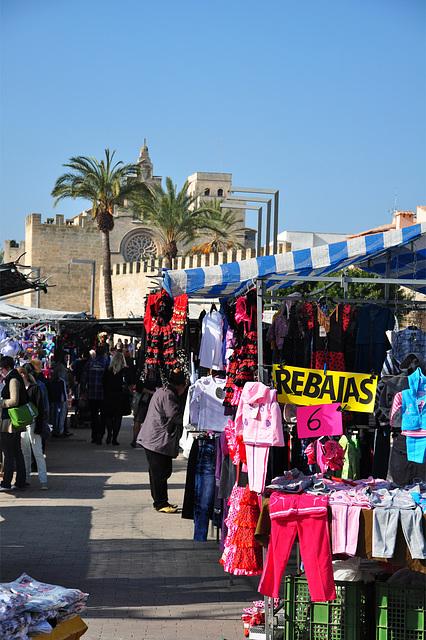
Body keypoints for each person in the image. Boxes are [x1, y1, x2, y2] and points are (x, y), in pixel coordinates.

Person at [137, 369, 187, 513]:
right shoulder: (168, 395)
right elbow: (175, 416)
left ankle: (159, 501)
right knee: (160, 473)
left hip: (153, 439)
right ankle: (160, 503)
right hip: (157, 441)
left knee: (157, 473)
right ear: (180, 386)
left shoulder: (162, 391)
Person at [17, 367, 48, 489]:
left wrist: (39, 426)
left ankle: (43, 480)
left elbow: (40, 408)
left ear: (23, 375)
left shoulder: (35, 389)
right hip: (24, 425)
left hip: (34, 424)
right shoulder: (19, 390)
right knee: (26, 453)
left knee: (37, 452)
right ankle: (26, 479)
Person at [0, 355, 27, 491]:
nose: (1, 372)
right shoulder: (14, 378)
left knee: (9, 452)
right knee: (16, 451)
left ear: (7, 368)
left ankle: (7, 482)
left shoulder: (12, 379)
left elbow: (14, 400)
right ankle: (21, 480)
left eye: (2, 369)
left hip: (10, 421)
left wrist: (0, 403)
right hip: (12, 420)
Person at [80, 346, 109, 444]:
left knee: (94, 415)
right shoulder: (107, 363)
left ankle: (94, 435)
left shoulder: (90, 363)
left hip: (92, 393)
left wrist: (83, 391)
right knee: (103, 415)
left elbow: (83, 378)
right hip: (103, 394)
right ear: (104, 353)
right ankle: (101, 433)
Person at [102, 352, 131, 446]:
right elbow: (130, 381)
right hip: (120, 397)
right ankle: (114, 438)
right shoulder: (125, 371)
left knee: (109, 416)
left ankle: (109, 433)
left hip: (108, 396)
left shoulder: (108, 370)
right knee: (118, 417)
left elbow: (103, 383)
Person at [131, 368, 161, 448]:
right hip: (142, 400)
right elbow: (139, 388)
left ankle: (146, 439)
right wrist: (151, 392)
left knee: (150, 420)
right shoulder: (142, 374)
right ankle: (135, 438)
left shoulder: (157, 374)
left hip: (152, 401)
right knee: (138, 419)